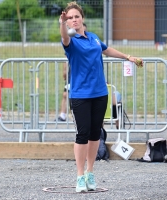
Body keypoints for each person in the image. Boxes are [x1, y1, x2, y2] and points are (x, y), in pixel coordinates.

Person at [59, 2, 143, 193]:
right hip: (81, 95)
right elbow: (64, 36)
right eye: (70, 17)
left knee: (96, 133)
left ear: (82, 18)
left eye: (76, 16)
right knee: (83, 134)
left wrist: (127, 57)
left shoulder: (93, 38)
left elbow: (106, 50)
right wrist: (62, 23)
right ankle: (79, 176)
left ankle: (90, 173)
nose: (74, 20)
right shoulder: (71, 42)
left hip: (100, 93)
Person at [57, 23, 87, 122]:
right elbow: (66, 57)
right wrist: (65, 70)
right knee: (66, 94)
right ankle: (63, 114)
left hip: (84, 74)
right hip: (73, 73)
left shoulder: (89, 41)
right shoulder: (71, 42)